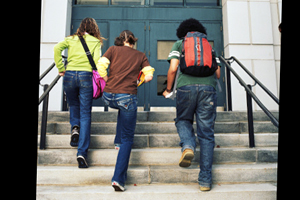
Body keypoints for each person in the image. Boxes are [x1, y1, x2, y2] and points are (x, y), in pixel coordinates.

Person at [163, 18, 221, 191]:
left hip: (185, 88)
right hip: (208, 90)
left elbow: (173, 68)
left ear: (182, 31)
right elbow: (217, 73)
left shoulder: (180, 44)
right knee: (207, 134)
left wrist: (167, 89)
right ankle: (204, 181)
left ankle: (188, 145)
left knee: (183, 120)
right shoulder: (209, 46)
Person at [97, 30, 154, 192]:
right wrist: (138, 81)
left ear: (120, 40)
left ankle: (117, 141)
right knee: (128, 138)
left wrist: (108, 81)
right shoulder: (140, 55)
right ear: (133, 42)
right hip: (127, 96)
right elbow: (149, 75)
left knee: (122, 110)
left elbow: (100, 66)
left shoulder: (112, 50)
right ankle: (118, 179)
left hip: (108, 97)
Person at [53, 17, 105, 168]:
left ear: (80, 27)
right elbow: (97, 61)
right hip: (86, 76)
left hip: (69, 75)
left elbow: (57, 48)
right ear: (94, 28)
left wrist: (61, 68)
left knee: (73, 104)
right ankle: (82, 152)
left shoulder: (71, 39)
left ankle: (75, 128)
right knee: (85, 113)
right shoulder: (96, 42)